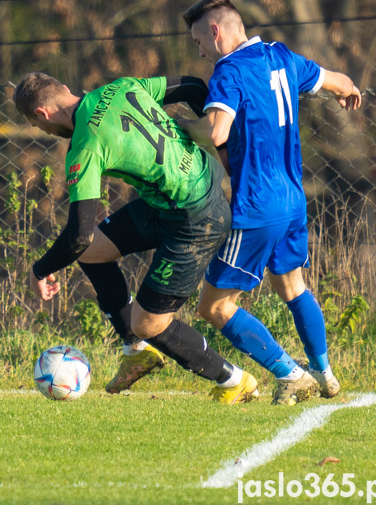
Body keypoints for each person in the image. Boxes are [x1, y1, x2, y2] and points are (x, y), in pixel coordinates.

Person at [13, 72, 259, 404]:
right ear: (67, 89)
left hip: (195, 218)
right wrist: (219, 142)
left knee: (149, 323)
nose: (41, 131)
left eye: (35, 125)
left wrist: (39, 269)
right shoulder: (121, 87)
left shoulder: (85, 144)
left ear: (41, 114)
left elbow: (78, 235)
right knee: (93, 254)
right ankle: (136, 350)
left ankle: (235, 381)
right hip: (181, 196)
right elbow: (193, 86)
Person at [182, 0, 361, 405]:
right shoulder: (281, 57)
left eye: (198, 42)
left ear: (216, 31)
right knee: (293, 287)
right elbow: (338, 81)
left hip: (257, 206)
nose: (201, 52)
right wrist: (347, 91)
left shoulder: (229, 71)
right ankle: (324, 372)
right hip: (293, 199)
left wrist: (180, 127)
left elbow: (215, 133)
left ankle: (289, 373)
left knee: (214, 307)